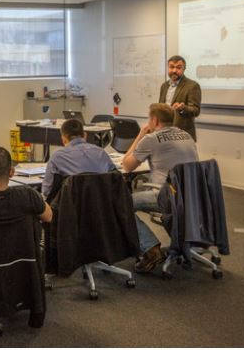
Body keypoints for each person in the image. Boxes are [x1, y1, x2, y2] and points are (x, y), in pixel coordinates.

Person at [122, 103, 199, 272]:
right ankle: (182, 243)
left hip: (167, 195)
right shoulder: (187, 135)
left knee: (121, 205)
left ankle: (151, 249)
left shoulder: (151, 139)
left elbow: (127, 165)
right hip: (192, 195)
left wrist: (140, 135)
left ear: (155, 120)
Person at [41, 119, 116, 198]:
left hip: (69, 208)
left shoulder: (57, 157)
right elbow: (116, 179)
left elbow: (47, 192)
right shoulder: (101, 152)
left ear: (63, 139)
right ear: (85, 135)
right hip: (102, 206)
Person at [159, 55, 201, 141]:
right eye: (171, 67)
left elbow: (196, 110)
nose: (174, 70)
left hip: (182, 135)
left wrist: (182, 108)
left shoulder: (192, 86)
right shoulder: (164, 86)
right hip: (164, 133)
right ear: (168, 68)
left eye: (178, 67)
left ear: (184, 69)